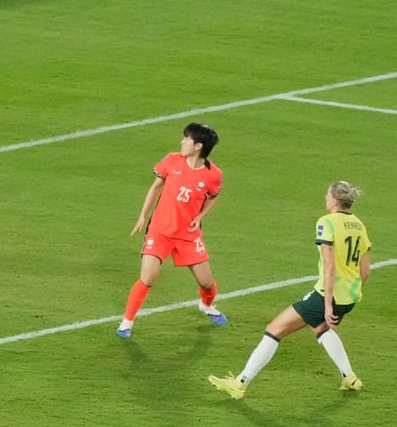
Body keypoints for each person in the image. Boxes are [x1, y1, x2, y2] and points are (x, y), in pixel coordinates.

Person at [209, 181, 371, 399]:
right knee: (320, 328)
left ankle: (240, 383)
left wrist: (327, 304)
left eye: (327, 195)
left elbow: (330, 267)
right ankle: (350, 378)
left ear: (334, 200)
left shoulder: (327, 222)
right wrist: (348, 298)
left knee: (275, 329)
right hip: (350, 295)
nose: (325, 198)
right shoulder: (359, 225)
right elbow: (366, 271)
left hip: (327, 294)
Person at [116, 122, 228, 337]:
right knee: (147, 277)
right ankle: (126, 323)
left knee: (206, 282)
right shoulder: (172, 160)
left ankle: (206, 306)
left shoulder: (213, 175)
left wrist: (200, 216)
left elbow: (213, 196)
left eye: (187, 139)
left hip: (188, 235)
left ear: (198, 146)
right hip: (160, 231)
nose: (182, 142)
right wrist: (143, 216)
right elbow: (156, 187)